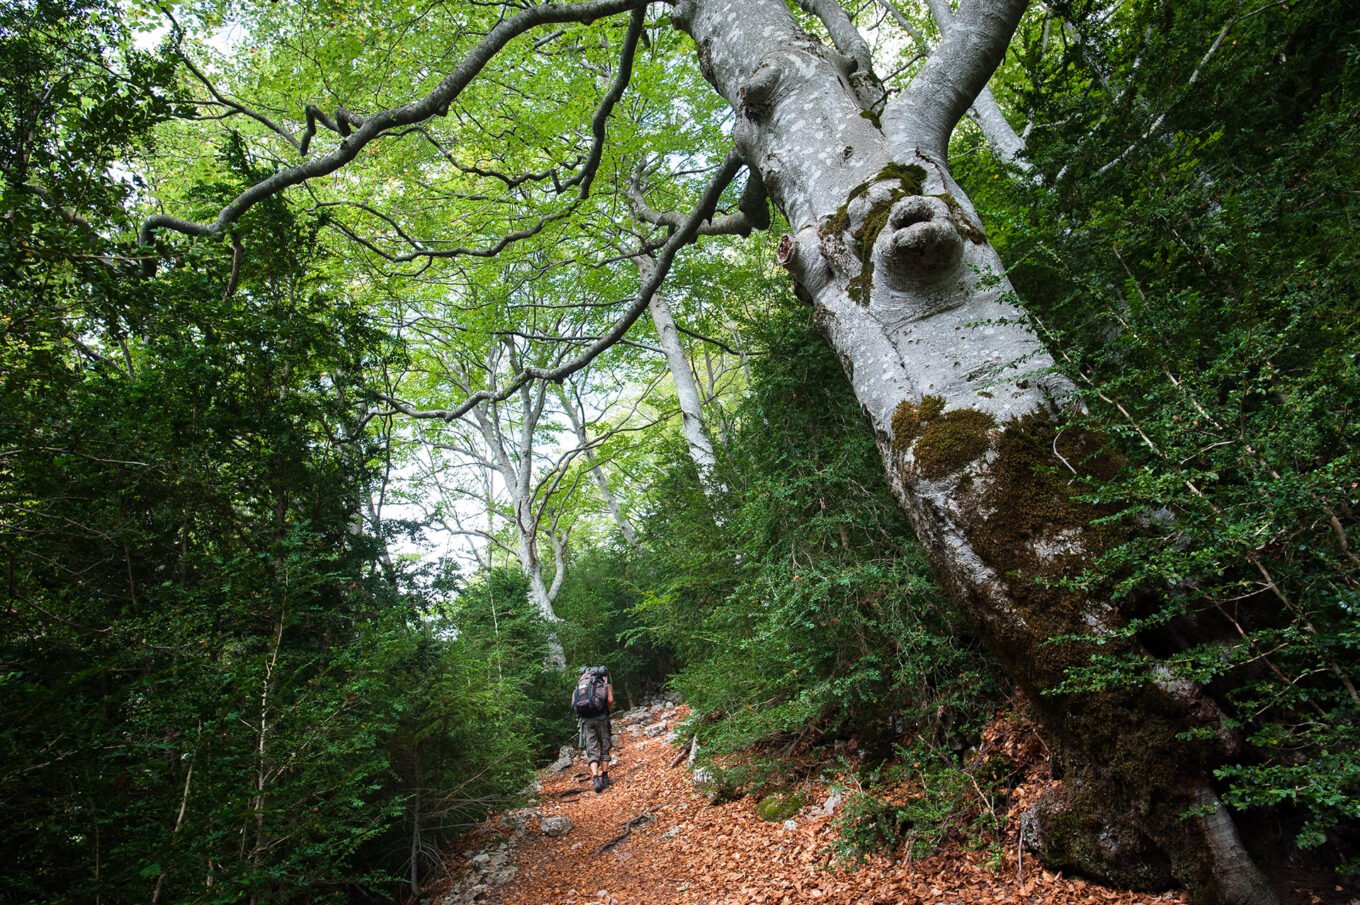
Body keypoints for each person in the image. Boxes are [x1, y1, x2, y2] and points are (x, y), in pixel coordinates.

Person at [578, 666, 614, 793]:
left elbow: (575, 704)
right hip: (602, 719)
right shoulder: (604, 685)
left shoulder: (581, 686)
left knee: (591, 749)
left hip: (586, 721)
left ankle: (595, 779)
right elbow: (610, 700)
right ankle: (604, 777)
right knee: (604, 746)